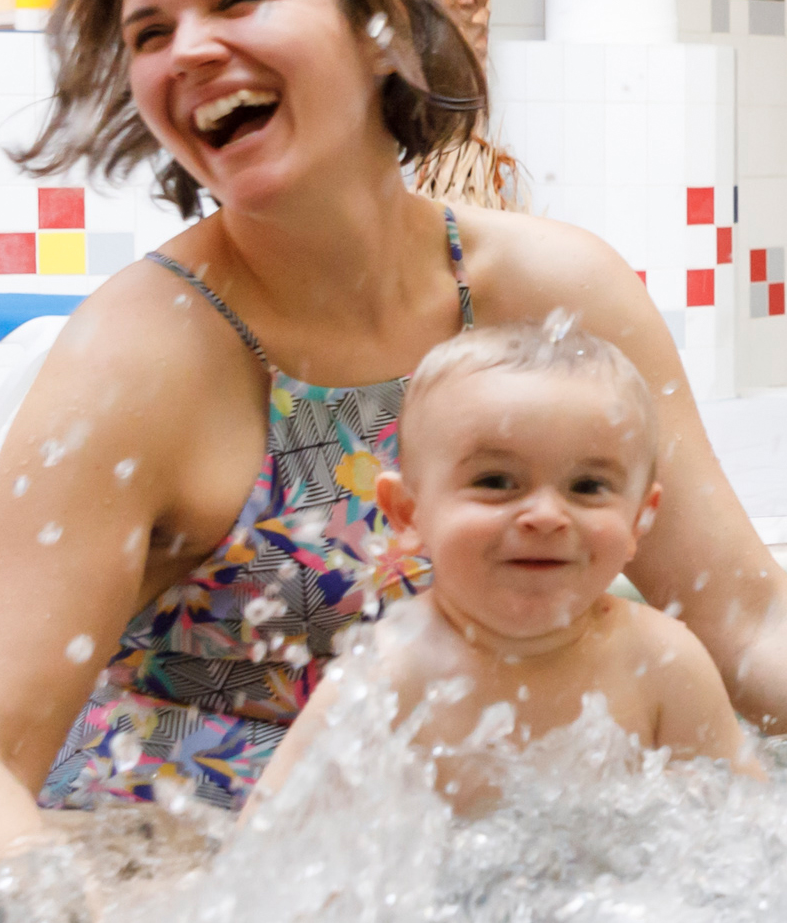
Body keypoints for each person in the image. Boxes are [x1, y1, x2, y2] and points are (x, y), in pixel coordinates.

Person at [0, 0, 787, 876]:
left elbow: (748, 616)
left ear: (379, 32)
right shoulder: (138, 358)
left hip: (505, 863)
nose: (188, 49)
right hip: (201, 871)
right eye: (149, 34)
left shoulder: (556, 291)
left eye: (236, 0)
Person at [251, 321, 752, 814]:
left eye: (588, 487)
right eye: (495, 481)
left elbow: (749, 827)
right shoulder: (388, 675)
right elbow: (269, 841)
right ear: (408, 514)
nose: (547, 516)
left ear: (640, 518)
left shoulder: (664, 662)